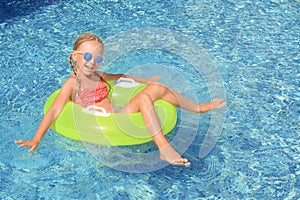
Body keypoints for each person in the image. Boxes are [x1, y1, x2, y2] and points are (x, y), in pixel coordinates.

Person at [15, 32, 225, 166]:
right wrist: (37, 138)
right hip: (105, 125)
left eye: (98, 58)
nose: (93, 62)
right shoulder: (72, 84)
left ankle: (198, 108)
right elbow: (54, 110)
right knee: (145, 100)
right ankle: (163, 148)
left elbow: (120, 77)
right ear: (74, 56)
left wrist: (144, 79)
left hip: (118, 116)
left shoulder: (98, 76)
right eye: (87, 56)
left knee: (156, 88)